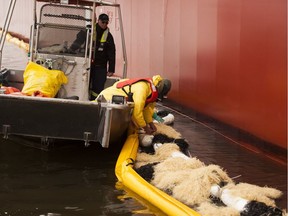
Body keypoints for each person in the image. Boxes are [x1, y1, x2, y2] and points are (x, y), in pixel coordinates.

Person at [97, 75, 171, 134]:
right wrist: (145, 128)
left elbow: (146, 109)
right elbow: (137, 112)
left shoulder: (149, 88)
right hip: (107, 99)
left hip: (116, 101)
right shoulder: (142, 89)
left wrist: (150, 123)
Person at [69, 13, 116, 100]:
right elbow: (78, 41)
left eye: (106, 23)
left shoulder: (108, 36)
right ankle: (81, 100)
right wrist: (71, 50)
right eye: (103, 22)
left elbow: (111, 53)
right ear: (98, 21)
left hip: (100, 65)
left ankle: (94, 102)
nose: (105, 24)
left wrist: (111, 69)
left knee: (98, 88)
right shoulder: (88, 30)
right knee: (82, 84)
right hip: (87, 64)